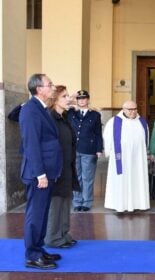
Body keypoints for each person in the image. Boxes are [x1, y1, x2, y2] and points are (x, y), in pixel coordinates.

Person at [19, 74, 63, 269]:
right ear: (39, 89)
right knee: (35, 215)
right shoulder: (30, 110)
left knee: (43, 214)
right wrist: (40, 174)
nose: (52, 87)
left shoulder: (41, 108)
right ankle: (32, 255)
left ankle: (39, 249)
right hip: (39, 174)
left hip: (47, 171)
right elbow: (31, 145)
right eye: (49, 84)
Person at [45, 85, 80, 248]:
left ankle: (64, 233)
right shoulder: (49, 117)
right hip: (55, 168)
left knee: (66, 201)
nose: (69, 99)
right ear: (55, 99)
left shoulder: (64, 117)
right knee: (56, 203)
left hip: (67, 166)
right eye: (64, 96)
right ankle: (53, 238)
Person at [103, 100, 150, 213]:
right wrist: (109, 152)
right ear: (123, 109)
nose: (133, 112)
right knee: (120, 180)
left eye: (135, 109)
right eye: (130, 109)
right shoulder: (114, 122)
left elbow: (146, 139)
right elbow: (107, 137)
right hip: (121, 159)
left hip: (137, 159)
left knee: (137, 178)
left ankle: (138, 203)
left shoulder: (142, 122)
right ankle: (119, 204)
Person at [68, 90, 103, 212]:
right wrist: (72, 98)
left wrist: (99, 149)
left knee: (87, 177)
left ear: (88, 100)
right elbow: (61, 104)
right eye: (79, 99)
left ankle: (87, 202)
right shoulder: (71, 112)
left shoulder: (95, 115)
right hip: (73, 149)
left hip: (89, 149)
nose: (82, 100)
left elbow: (98, 133)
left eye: (84, 98)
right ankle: (77, 201)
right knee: (76, 177)